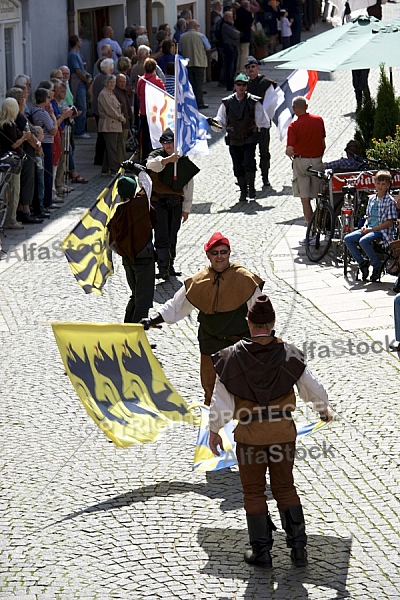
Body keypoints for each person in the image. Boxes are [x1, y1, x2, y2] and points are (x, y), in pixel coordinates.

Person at [208, 294, 333, 568]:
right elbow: (313, 388)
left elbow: (221, 403)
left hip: (250, 438)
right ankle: (298, 550)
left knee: (253, 492)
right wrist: (323, 409)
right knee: (285, 487)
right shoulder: (289, 353)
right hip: (282, 436)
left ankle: (261, 552)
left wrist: (214, 430)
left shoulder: (231, 357)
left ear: (248, 322)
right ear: (273, 322)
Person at [140, 232, 264, 405]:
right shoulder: (199, 280)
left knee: (242, 393)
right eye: (215, 253)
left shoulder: (244, 278)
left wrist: (264, 343)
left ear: (229, 253)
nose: (219, 256)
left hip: (238, 343)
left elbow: (261, 312)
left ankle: (242, 429)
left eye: (223, 252)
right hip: (210, 343)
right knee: (210, 392)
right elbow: (176, 305)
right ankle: (212, 430)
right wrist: (153, 320)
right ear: (208, 255)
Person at [145, 128, 199, 279]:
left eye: (170, 143)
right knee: (161, 235)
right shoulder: (156, 155)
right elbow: (151, 165)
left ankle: (170, 265)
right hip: (159, 203)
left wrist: (186, 208)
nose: (168, 146)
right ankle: (162, 267)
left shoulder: (182, 159)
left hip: (176, 203)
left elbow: (188, 185)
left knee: (172, 235)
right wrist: (167, 160)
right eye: (165, 143)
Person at [211, 72, 270, 202]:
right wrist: (213, 123)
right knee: (237, 166)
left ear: (247, 86)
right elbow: (221, 120)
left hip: (249, 138)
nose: (241, 87)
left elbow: (263, 121)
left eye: (244, 85)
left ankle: (251, 188)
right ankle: (243, 190)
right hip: (233, 139)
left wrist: (261, 134)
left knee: (249, 163)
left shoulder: (254, 102)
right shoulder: (227, 103)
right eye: (239, 84)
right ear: (235, 86)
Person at [108, 175, 156, 323]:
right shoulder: (140, 204)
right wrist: (137, 169)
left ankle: (126, 332)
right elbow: (148, 184)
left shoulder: (118, 212)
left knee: (135, 296)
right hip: (144, 259)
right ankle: (135, 339)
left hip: (128, 260)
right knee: (143, 301)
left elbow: (112, 240)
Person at [344, 170, 397, 282]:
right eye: (378, 183)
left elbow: (390, 222)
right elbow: (368, 216)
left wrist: (371, 229)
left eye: (383, 184)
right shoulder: (372, 199)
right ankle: (363, 263)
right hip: (369, 228)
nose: (380, 186)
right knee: (348, 239)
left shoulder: (390, 201)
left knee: (363, 241)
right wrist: (365, 226)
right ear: (375, 184)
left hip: (382, 231)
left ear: (388, 185)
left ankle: (376, 266)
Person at [285, 96, 326, 234]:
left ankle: (311, 228)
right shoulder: (318, 120)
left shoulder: (293, 126)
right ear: (307, 106)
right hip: (316, 161)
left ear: (294, 109)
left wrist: (289, 152)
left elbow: (290, 150)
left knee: (305, 197)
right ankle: (322, 223)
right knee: (319, 195)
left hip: (301, 162)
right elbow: (323, 143)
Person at [245, 56, 276, 188]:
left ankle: (265, 177)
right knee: (247, 153)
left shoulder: (265, 83)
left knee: (264, 152)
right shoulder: (242, 84)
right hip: (247, 125)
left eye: (253, 66)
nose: (251, 69)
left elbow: (272, 102)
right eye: (248, 67)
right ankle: (248, 179)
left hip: (263, 124)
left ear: (258, 67)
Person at [136, 58, 166, 161]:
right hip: (155, 113)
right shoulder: (157, 81)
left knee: (145, 135)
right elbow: (164, 96)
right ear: (154, 68)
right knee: (156, 134)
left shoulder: (141, 80)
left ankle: (145, 156)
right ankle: (156, 155)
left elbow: (139, 95)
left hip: (144, 112)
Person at [97, 74, 126, 176]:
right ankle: (114, 169)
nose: (112, 84)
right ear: (106, 83)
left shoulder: (110, 93)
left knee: (109, 147)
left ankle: (105, 169)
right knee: (112, 148)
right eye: (110, 82)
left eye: (113, 82)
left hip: (114, 124)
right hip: (109, 125)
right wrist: (120, 117)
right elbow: (110, 109)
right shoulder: (104, 94)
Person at [179, 20, 211, 110]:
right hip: (199, 62)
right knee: (199, 84)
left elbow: (180, 49)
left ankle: (191, 102)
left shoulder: (182, 37)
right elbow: (208, 47)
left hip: (187, 63)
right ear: (196, 26)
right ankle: (199, 102)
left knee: (190, 84)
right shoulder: (201, 36)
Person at [67, 35, 92, 138]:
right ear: (76, 42)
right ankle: (79, 131)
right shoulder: (73, 54)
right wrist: (86, 80)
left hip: (81, 81)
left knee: (83, 105)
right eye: (79, 40)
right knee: (81, 106)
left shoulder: (77, 54)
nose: (81, 41)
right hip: (78, 82)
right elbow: (77, 71)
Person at [221, 11, 241, 92]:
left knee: (233, 67)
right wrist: (237, 33)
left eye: (232, 16)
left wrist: (237, 33)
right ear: (226, 18)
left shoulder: (231, 25)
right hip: (229, 48)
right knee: (230, 66)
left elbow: (239, 33)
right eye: (230, 17)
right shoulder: (225, 26)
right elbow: (235, 35)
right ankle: (229, 84)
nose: (232, 18)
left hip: (233, 47)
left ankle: (232, 82)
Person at [234, 1, 255, 73]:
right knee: (244, 53)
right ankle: (242, 69)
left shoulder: (237, 12)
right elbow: (251, 22)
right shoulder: (248, 14)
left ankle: (237, 69)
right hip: (245, 35)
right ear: (247, 6)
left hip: (237, 36)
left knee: (238, 53)